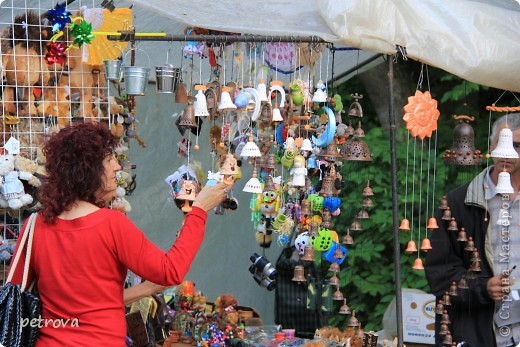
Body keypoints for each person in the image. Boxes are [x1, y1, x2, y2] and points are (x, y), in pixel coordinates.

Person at [9, 122, 232, 346]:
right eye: (109, 160)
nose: (117, 166)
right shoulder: (111, 224)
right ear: (87, 170)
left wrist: (148, 288)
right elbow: (171, 272)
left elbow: (84, 304)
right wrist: (199, 210)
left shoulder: (35, 225)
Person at [425, 113, 520, 347]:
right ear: (491, 145)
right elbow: (440, 274)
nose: (506, 152)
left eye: (516, 145)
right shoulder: (460, 203)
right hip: (479, 334)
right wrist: (483, 288)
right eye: (500, 143)